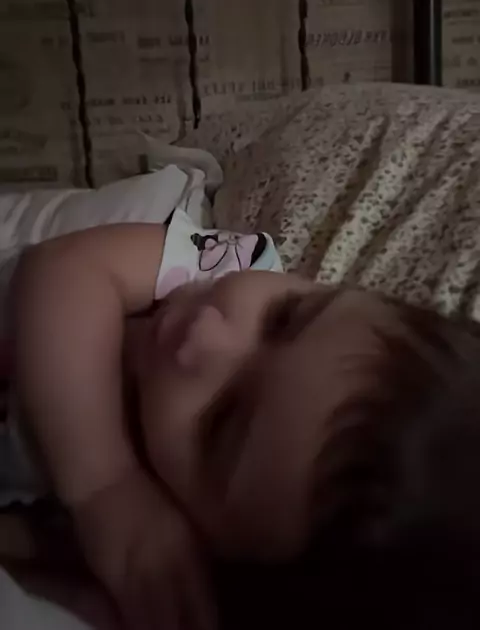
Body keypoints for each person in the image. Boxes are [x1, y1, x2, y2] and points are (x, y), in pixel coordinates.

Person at [7, 214, 480, 628]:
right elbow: (63, 269)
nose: (206, 333)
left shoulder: (156, 549)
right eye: (284, 317)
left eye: (222, 422)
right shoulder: (231, 261)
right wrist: (106, 486)